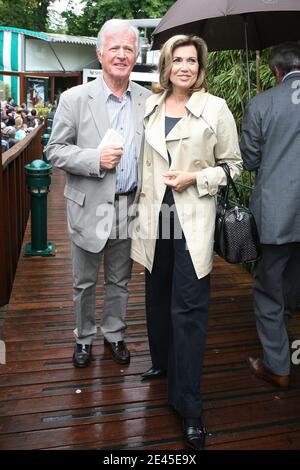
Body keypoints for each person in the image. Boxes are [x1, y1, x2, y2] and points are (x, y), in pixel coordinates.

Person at [131, 35, 242, 450]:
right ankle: (163, 365)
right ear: (166, 65)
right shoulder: (152, 106)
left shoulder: (216, 108)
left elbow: (234, 167)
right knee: (157, 296)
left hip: (192, 215)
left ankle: (189, 405)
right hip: (153, 216)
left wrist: (196, 177)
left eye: (191, 60)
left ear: (200, 66)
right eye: (177, 60)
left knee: (189, 307)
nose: (184, 67)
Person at [46, 19, 150, 368]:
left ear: (136, 55)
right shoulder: (74, 98)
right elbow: (54, 150)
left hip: (128, 205)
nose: (121, 55)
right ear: (100, 52)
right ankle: (84, 338)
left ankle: (115, 335)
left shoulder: (147, 101)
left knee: (119, 280)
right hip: (88, 205)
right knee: (85, 282)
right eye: (115, 48)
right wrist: (94, 159)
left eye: (128, 49)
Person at [240, 42, 300, 389]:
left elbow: (248, 160)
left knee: (267, 287)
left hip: (277, 215)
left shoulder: (263, 102)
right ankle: (282, 333)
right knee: (294, 281)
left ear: (276, 71)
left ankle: (278, 365)